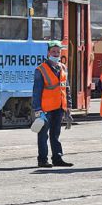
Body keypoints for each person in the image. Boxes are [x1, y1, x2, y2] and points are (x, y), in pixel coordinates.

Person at [32, 40, 73, 168]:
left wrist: (68, 108)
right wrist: (38, 109)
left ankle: (57, 158)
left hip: (59, 107)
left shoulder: (63, 67)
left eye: (58, 52)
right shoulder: (40, 70)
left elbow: (66, 89)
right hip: (46, 109)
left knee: (55, 134)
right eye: (53, 52)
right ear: (48, 53)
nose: (56, 54)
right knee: (43, 135)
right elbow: (36, 91)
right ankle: (42, 160)